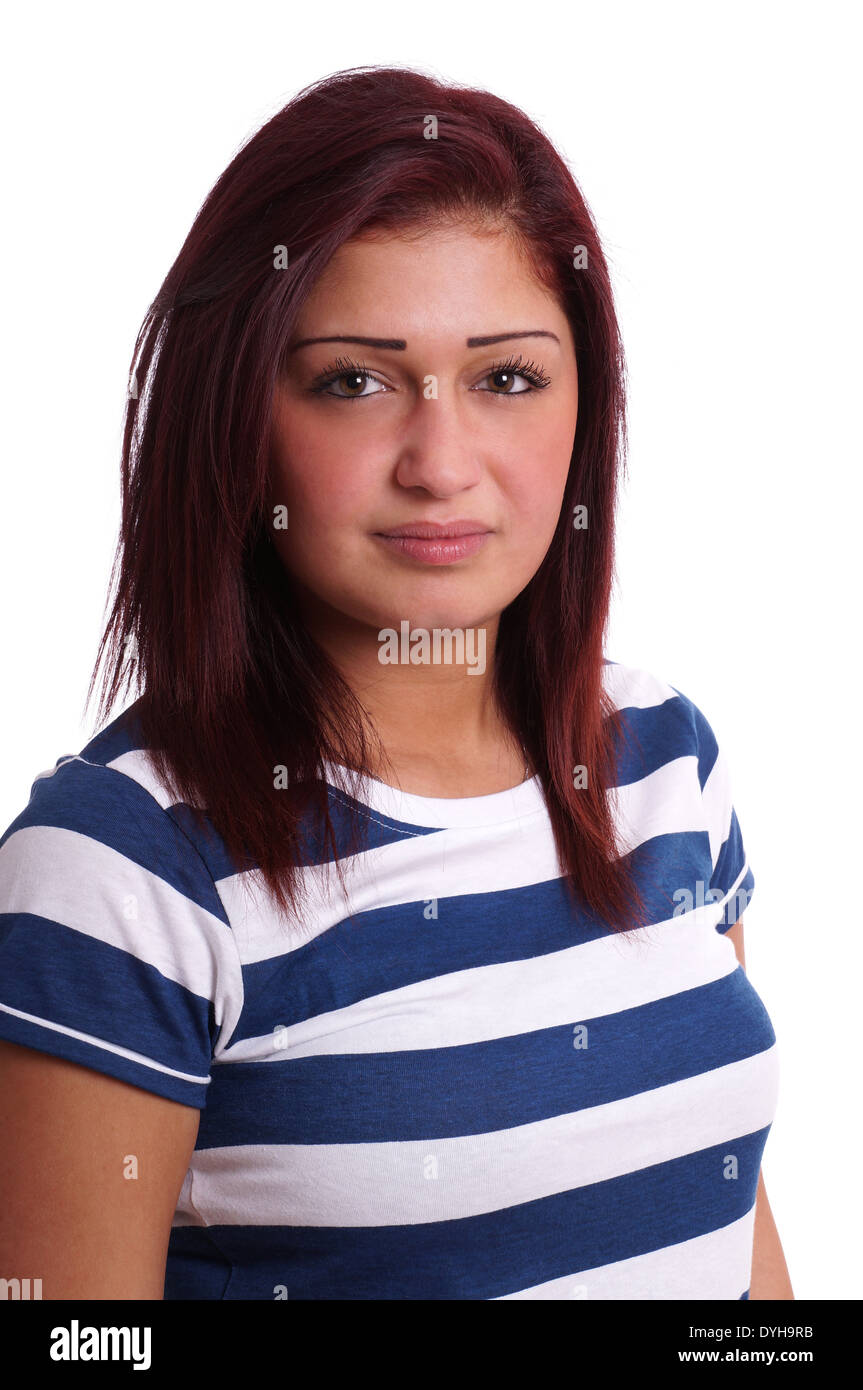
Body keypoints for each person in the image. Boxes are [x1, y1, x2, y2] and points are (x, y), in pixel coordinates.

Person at [0, 64, 792, 1300]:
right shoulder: (121, 869)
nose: (439, 461)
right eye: (353, 381)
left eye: (506, 378)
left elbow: (732, 1235)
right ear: (236, 418)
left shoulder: (659, 759)